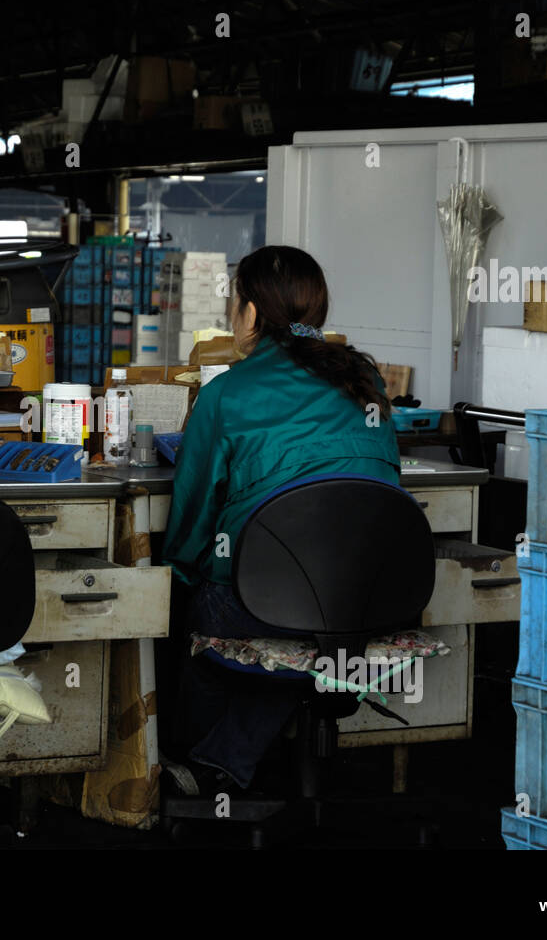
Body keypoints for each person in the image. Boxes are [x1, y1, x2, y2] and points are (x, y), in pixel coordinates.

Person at [161, 245, 401, 793]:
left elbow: (193, 519)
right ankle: (224, 762)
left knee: (197, 605)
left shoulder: (226, 393)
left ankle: (195, 763)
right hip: (367, 594)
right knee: (298, 619)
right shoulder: (363, 377)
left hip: (269, 599)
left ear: (248, 313)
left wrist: (179, 572)